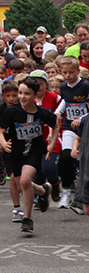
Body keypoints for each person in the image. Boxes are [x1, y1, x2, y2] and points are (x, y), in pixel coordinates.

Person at [0, 77, 57, 232]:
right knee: (20, 183)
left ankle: (27, 218)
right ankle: (43, 190)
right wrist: (3, 143)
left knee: (25, 181)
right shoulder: (12, 111)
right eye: (20, 93)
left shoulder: (42, 113)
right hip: (15, 151)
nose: (22, 97)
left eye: (27, 94)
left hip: (34, 151)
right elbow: (0, 132)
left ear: (35, 95)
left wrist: (51, 144)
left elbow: (55, 125)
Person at [55, 56, 88, 209]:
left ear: (78, 71)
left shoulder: (85, 85)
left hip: (85, 127)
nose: (68, 76)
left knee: (83, 161)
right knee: (66, 157)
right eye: (65, 73)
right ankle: (66, 192)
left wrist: (82, 118)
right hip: (69, 126)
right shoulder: (63, 86)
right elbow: (64, 101)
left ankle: (82, 196)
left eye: (71, 73)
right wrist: (57, 112)